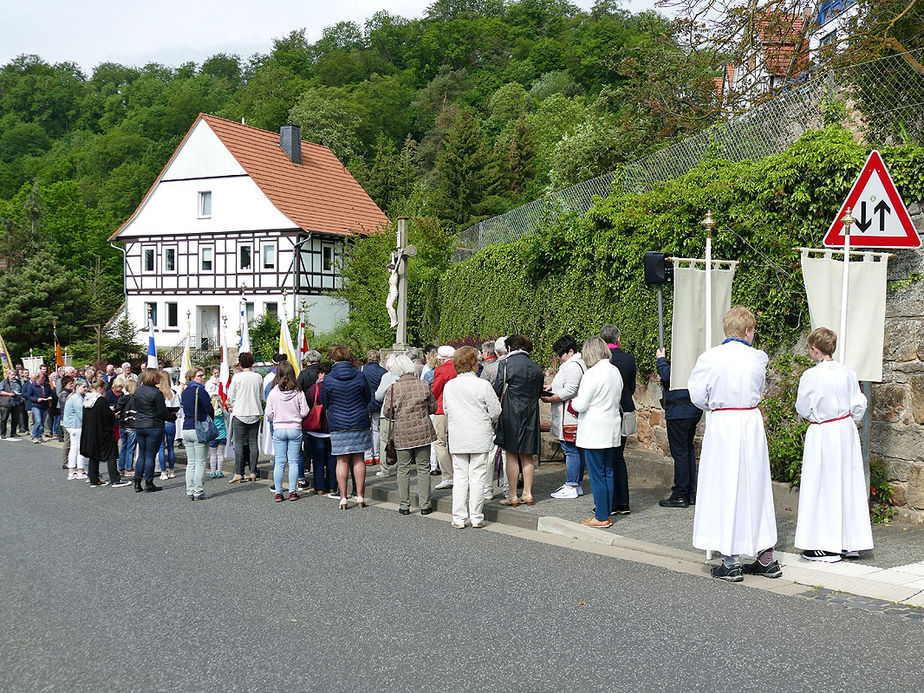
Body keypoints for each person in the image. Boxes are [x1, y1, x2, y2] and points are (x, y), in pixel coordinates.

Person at [688, 306, 781, 582]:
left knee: (725, 487)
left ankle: (730, 561)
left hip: (724, 424)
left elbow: (696, 394)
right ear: (748, 331)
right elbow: (760, 389)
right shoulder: (757, 359)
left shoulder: (710, 358)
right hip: (750, 422)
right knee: (757, 487)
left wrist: (716, 406)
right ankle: (766, 558)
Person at [794, 327, 873, 563]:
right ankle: (850, 541)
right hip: (845, 429)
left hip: (824, 430)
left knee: (823, 484)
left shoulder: (811, 376)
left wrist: (816, 416)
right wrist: (847, 418)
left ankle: (826, 544)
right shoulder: (847, 372)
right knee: (847, 482)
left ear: (815, 350)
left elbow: (802, 407)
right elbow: (859, 403)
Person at [443, 346, 502, 528]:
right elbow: (496, 411)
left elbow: (446, 410)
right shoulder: (482, 385)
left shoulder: (450, 385)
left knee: (460, 477)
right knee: (477, 477)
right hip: (479, 435)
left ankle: (458, 518)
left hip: (458, 435)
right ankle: (476, 517)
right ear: (472, 363)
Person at [571, 337, 623, 528]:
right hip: (611, 426)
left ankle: (601, 516)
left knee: (596, 474)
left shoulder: (591, 374)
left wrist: (574, 401)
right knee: (608, 471)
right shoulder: (614, 370)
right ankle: (606, 511)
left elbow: (581, 404)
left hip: (594, 430)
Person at [382, 355, 437, 516]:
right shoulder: (424, 384)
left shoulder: (393, 389)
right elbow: (433, 407)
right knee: (423, 468)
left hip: (403, 432)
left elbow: (387, 412)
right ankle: (425, 505)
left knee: (403, 469)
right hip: (423, 431)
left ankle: (404, 505)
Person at [493, 334, 543, 506]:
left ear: (509, 348)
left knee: (512, 454)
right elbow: (538, 393)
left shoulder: (505, 364)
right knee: (527, 454)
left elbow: (497, 388)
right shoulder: (536, 367)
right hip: (531, 412)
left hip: (510, 412)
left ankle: (513, 496)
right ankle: (528, 493)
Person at [321, 345, 372, 509]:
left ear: (334, 359)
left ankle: (343, 497)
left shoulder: (328, 379)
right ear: (350, 358)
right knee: (359, 458)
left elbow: (325, 402)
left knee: (341, 460)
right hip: (359, 421)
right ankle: (360, 496)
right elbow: (367, 397)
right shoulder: (359, 375)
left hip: (338, 423)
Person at [656, 348, 703, 508]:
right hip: (692, 409)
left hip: (679, 411)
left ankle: (680, 494)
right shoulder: (696, 359)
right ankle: (690, 493)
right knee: (688, 451)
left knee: (681, 453)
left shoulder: (682, 360)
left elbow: (672, 375)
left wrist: (661, 360)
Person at [542, 335, 587, 499]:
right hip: (569, 414)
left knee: (571, 450)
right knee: (576, 449)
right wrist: (551, 386)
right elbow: (564, 383)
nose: (559, 358)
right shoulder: (572, 364)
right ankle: (576, 484)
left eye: (561, 354)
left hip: (569, 416)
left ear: (570, 351)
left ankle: (572, 485)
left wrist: (551, 398)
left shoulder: (574, 366)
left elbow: (570, 390)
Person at [602, 324, 636, 515]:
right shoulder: (629, 359)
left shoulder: (602, 362)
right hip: (625, 408)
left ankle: (611, 503)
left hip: (608, 411)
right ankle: (624, 502)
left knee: (607, 459)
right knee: (619, 457)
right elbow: (630, 387)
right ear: (618, 339)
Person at [265, 360, 308, 502]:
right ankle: (292, 492)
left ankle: (278, 493)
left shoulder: (273, 392)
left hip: (279, 428)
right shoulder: (298, 391)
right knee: (294, 462)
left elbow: (268, 413)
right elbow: (305, 411)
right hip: (294, 428)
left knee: (280, 462)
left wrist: (277, 416)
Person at [81, 379, 131, 487]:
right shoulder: (100, 401)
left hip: (91, 432)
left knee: (93, 456)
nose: (104, 391)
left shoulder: (86, 400)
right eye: (103, 389)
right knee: (111, 455)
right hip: (103, 432)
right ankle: (115, 479)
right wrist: (114, 415)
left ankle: (94, 480)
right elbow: (107, 416)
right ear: (99, 388)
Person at [133, 368, 175, 493]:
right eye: (157, 376)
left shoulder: (138, 391)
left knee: (142, 454)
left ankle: (137, 482)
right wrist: (172, 416)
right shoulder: (156, 393)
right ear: (153, 378)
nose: (159, 378)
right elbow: (162, 412)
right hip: (153, 425)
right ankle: (149, 483)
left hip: (140, 424)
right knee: (150, 456)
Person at [226, 352, 264, 484]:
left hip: (240, 412)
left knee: (239, 444)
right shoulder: (258, 377)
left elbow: (232, 396)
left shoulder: (237, 377)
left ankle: (238, 473)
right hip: (255, 411)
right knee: (254, 443)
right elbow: (261, 395)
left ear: (240, 363)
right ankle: (253, 471)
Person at [181, 367, 213, 500]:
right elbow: (209, 408)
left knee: (191, 462)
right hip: (198, 427)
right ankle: (198, 491)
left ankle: (190, 490)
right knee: (200, 462)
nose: (202, 378)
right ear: (192, 377)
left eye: (203, 375)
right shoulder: (200, 390)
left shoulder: (185, 391)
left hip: (186, 428)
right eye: (199, 376)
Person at [304, 362, 336, 495]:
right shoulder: (335, 386)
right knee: (332, 457)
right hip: (332, 427)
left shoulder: (315, 388)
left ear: (321, 373)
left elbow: (308, 403)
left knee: (318, 459)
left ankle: (319, 486)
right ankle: (332, 485)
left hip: (317, 428)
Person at [431, 345, 457, 490]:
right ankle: (457, 474)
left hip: (441, 409)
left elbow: (435, 390)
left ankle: (448, 476)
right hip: (457, 409)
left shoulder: (441, 370)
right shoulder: (458, 367)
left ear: (442, 359)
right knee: (453, 442)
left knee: (439, 443)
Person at [362, 349, 387, 465]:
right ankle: (377, 455)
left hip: (365, 401)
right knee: (376, 429)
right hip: (378, 401)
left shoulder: (362, 370)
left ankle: (368, 456)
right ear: (378, 358)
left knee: (367, 429)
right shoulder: (383, 371)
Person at [63, 379, 89, 479]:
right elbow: (81, 415)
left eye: (86, 386)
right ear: (77, 387)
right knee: (80, 448)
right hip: (76, 426)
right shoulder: (77, 399)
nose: (86, 388)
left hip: (71, 425)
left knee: (74, 448)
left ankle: (72, 471)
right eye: (84, 386)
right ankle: (80, 471)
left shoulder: (73, 396)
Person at [158, 372, 180, 480]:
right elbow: (178, 408)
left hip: (160, 422)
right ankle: (171, 470)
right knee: (171, 447)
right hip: (170, 422)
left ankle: (163, 471)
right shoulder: (173, 392)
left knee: (161, 447)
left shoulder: (157, 393)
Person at [116, 379, 138, 477]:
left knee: (123, 447)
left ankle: (121, 468)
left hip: (122, 425)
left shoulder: (122, 398)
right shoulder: (135, 399)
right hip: (131, 426)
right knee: (130, 448)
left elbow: (118, 409)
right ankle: (129, 468)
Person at [24, 373, 54, 443]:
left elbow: (50, 393)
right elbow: (28, 396)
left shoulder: (47, 385)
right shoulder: (32, 386)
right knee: (38, 421)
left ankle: (40, 436)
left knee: (42, 422)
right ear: (37, 379)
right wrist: (36, 399)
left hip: (45, 405)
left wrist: (49, 397)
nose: (42, 382)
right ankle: (34, 436)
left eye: (43, 380)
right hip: (36, 405)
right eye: (40, 380)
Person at [0, 369, 24, 440]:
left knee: (15, 419)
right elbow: (0, 391)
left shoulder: (18, 382)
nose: (14, 376)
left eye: (15, 375)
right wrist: (9, 394)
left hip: (16, 403)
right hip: (6, 403)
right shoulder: (4, 382)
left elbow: (21, 390)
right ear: (8, 375)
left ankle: (13, 433)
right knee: (4, 419)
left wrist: (21, 397)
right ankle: (2, 433)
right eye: (12, 375)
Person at [209, 393, 228, 478]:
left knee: (213, 454)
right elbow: (227, 415)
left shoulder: (211, 412)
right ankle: (219, 471)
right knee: (220, 454)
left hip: (213, 435)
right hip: (222, 435)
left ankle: (213, 471)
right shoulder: (223, 411)